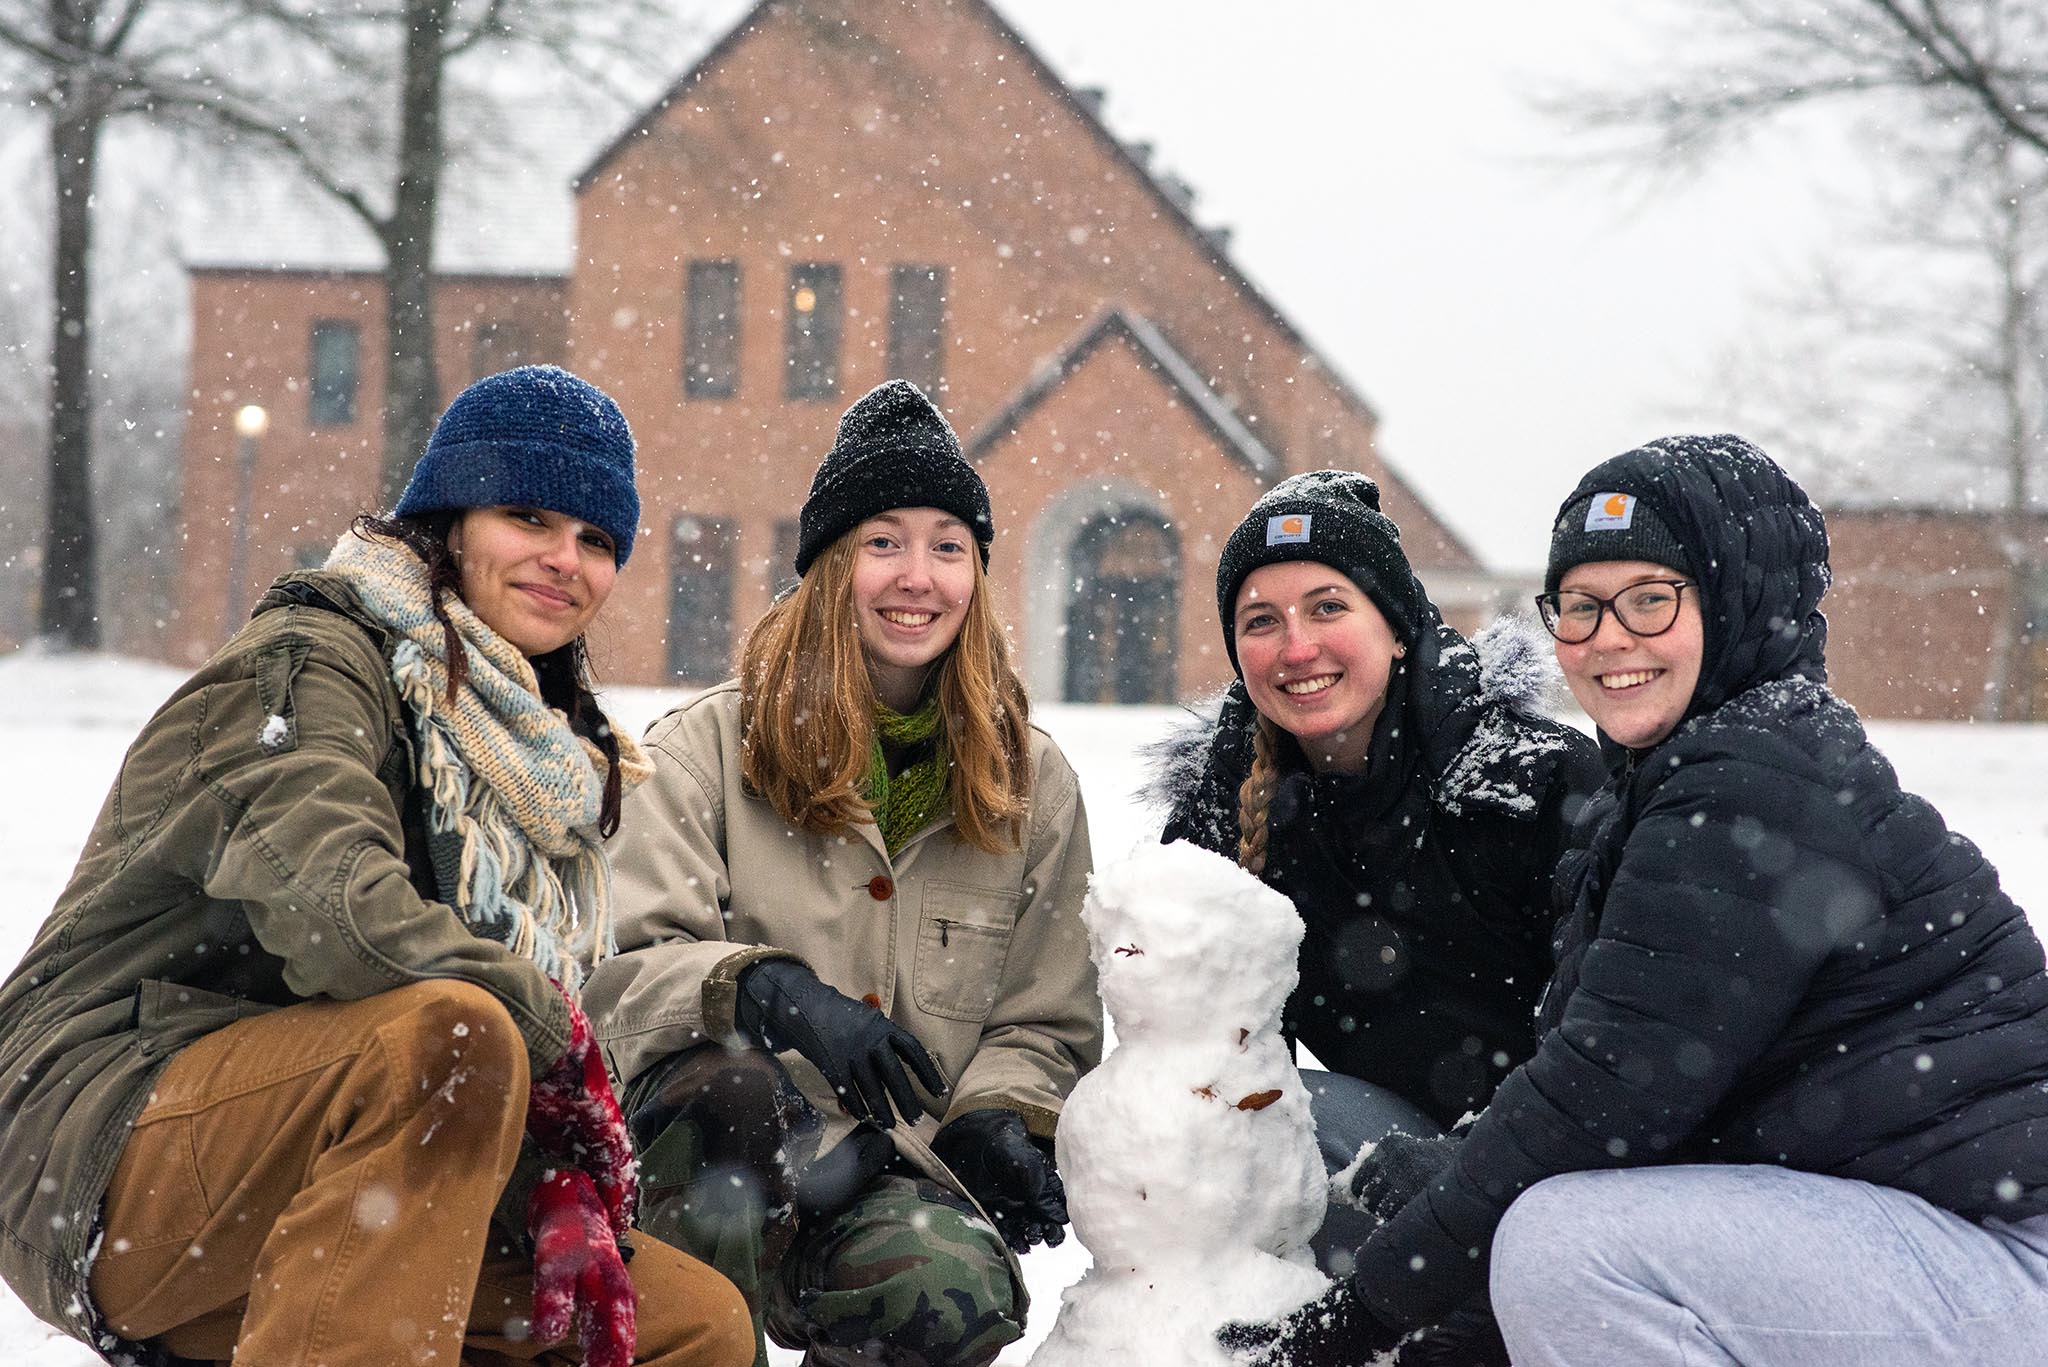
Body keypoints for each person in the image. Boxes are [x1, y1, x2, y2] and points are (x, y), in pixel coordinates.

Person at [1222, 434, 2048, 1367]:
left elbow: (1598, 1099)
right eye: (1580, 606)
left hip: (1995, 1253)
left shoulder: (1749, 784)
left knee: (1566, 1250)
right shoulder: (1677, 780)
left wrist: (1352, 1322)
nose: (1610, 638)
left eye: (1651, 598)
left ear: (1735, 599)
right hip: (1894, 1227)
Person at [0, 365, 753, 1367]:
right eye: (528, 515)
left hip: (346, 1167)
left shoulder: (539, 744)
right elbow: (333, 907)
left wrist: (553, 1162)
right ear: (447, 519)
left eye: (597, 540)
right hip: (103, 1144)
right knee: (453, 1031)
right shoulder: (314, 662)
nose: (563, 558)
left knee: (691, 1325)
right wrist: (544, 1029)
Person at [583, 379, 1100, 1367]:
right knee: (725, 1091)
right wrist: (762, 992)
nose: (918, 575)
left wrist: (1001, 1109)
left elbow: (1048, 1013)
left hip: (883, 1175)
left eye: (948, 545)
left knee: (947, 1286)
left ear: (977, 573)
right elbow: (617, 971)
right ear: (828, 565)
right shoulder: (701, 749)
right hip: (706, 1169)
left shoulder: (1033, 785)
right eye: (882, 542)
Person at [1153, 470, 1601, 1360]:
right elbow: (1188, 1046)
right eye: (1261, 620)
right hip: (1390, 1151)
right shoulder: (1226, 805)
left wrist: (1476, 1163)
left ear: (1395, 626)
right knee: (1219, 1113)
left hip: (1565, 1163)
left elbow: (1615, 1043)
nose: (1296, 647)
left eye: (1327, 608)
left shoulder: (1537, 780)